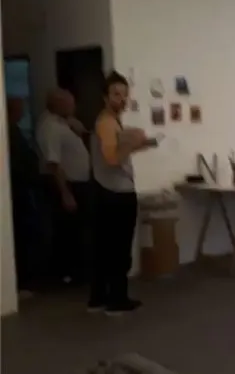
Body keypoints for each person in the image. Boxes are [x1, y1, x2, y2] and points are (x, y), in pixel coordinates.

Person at [88, 71, 157, 315]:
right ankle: (117, 300)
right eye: (116, 94)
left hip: (106, 190)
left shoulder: (109, 122)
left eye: (125, 95)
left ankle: (98, 298)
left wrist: (139, 145)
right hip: (116, 194)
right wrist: (133, 143)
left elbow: (116, 154)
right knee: (118, 249)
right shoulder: (107, 122)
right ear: (105, 97)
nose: (122, 99)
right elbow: (112, 158)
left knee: (104, 247)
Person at [37, 89, 91, 286]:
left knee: (78, 230)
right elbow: (53, 163)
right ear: (58, 104)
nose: (74, 107)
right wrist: (66, 193)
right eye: (70, 103)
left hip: (79, 184)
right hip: (66, 185)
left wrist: (79, 129)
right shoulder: (50, 127)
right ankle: (66, 275)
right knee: (67, 232)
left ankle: (78, 271)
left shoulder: (64, 123)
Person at [6, 96, 41, 295]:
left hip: (25, 188)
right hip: (18, 189)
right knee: (22, 234)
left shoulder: (16, 130)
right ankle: (21, 281)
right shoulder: (9, 132)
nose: (23, 113)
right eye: (20, 109)